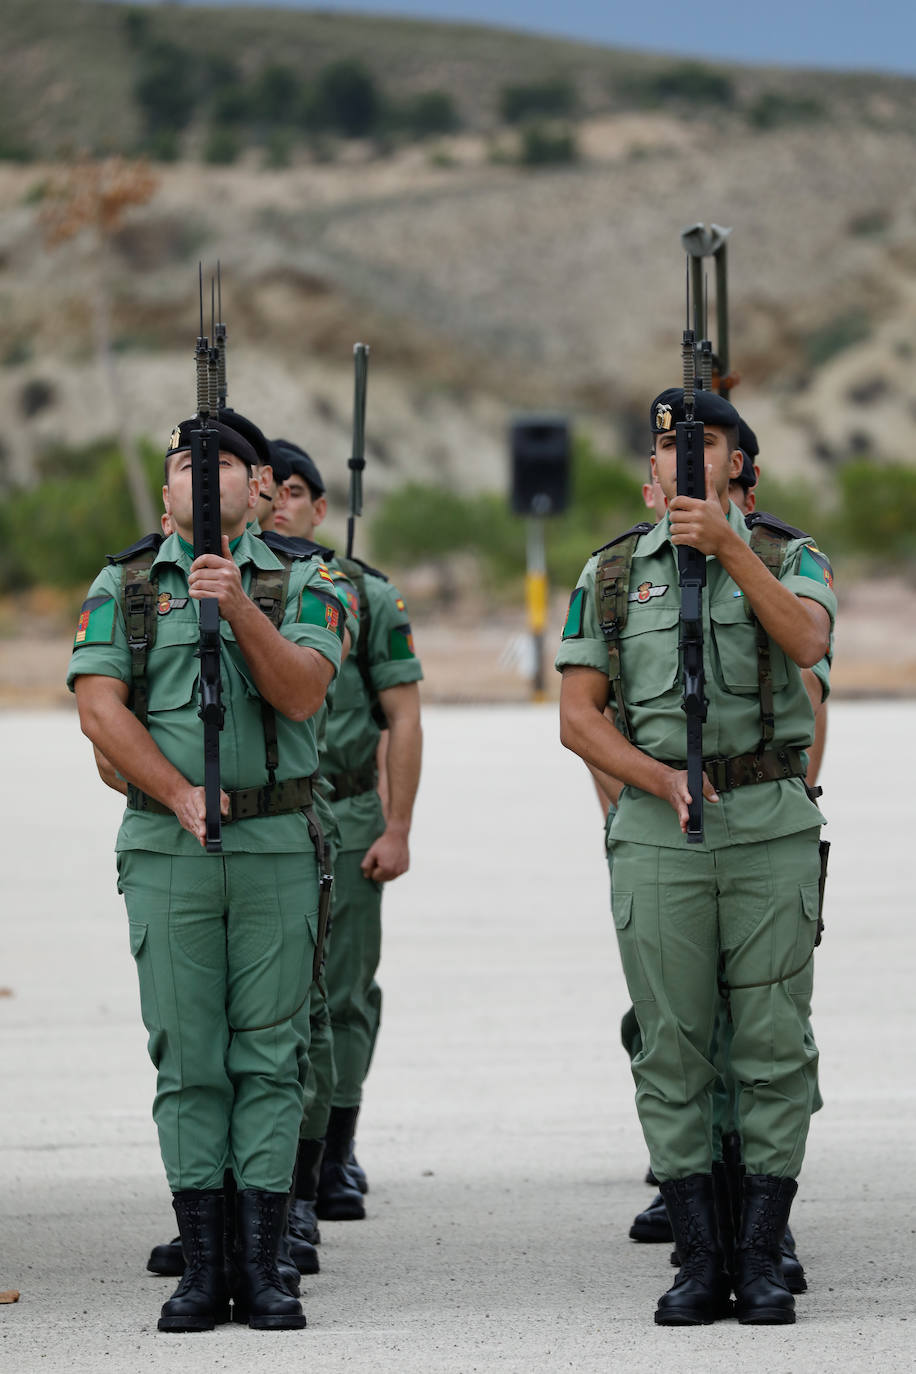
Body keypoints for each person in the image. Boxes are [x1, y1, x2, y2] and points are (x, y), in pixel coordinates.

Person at [557, 387, 836, 1326]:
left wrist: (726, 547)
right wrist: (656, 778)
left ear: (740, 470)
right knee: (672, 1047)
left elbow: (806, 640)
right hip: (660, 834)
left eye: (707, 443)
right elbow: (576, 718)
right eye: (669, 444)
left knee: (770, 1049)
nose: (684, 456)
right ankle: (698, 1256)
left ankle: (761, 1255)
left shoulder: (789, 560)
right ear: (648, 476)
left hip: (768, 827)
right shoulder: (606, 576)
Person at [67, 419, 348, 1333]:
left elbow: (304, 689)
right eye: (185, 465)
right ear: (165, 495)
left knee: (270, 1057)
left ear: (258, 483)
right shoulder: (126, 585)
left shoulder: (308, 578)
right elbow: (98, 707)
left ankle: (263, 1265)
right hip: (167, 847)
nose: (202, 476)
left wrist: (241, 607)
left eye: (222, 463)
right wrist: (178, 792)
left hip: (273, 843)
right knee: (188, 1060)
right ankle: (201, 1265)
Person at [270, 438, 423, 1226]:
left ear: (321, 508)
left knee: (343, 994)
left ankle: (335, 1149)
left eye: (295, 491)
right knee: (279, 1002)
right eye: (270, 487)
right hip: (276, 810)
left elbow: (401, 714)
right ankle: (285, 1162)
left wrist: (396, 825)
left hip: (351, 806)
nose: (280, 502)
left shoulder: (361, 593)